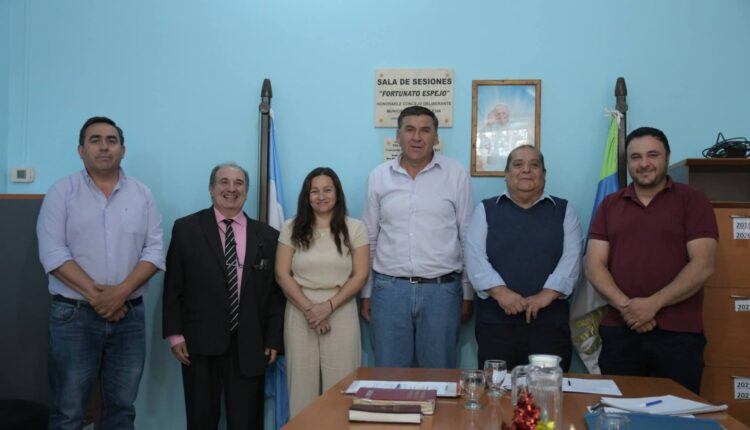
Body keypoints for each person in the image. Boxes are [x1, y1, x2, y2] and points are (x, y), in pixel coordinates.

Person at [37, 116, 165, 429]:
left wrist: (120, 294)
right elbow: (53, 253)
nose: (104, 147)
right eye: (95, 140)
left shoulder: (142, 195)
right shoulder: (61, 192)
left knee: (121, 410)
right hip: (73, 316)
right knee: (68, 410)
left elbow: (154, 251)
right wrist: (101, 298)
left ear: (123, 150)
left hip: (129, 317)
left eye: (111, 140)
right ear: (81, 150)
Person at [585, 127, 718, 394]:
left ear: (667, 157)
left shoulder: (693, 200)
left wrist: (653, 305)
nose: (644, 163)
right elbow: (594, 265)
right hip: (620, 332)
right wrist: (629, 308)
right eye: (635, 157)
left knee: (677, 413)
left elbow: (703, 264)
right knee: (618, 410)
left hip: (679, 335)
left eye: (652, 155)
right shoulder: (610, 205)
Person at [162, 163, 284, 429]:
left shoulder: (268, 236)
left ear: (247, 190)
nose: (231, 188)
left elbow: (275, 295)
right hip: (198, 343)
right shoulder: (186, 229)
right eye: (224, 182)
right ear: (211, 188)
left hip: (250, 345)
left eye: (239, 183)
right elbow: (173, 285)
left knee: (246, 422)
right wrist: (175, 335)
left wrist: (274, 338)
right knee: (201, 420)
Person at [361, 105, 474, 368]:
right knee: (389, 377)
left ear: (436, 137)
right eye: (409, 129)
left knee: (440, 378)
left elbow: (467, 236)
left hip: (442, 292)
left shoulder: (456, 174)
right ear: (397, 135)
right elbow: (370, 238)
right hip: (389, 291)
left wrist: (468, 293)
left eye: (425, 130)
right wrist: (367, 291)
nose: (416, 137)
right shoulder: (378, 177)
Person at [465, 145, 583, 371]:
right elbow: (474, 256)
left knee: (547, 388)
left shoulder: (564, 210)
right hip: (496, 324)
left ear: (544, 174)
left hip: (549, 324)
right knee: (496, 389)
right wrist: (501, 293)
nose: (526, 170)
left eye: (534, 165)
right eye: (518, 165)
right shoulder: (486, 209)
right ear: (506, 174)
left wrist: (546, 295)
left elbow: (572, 257)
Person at [274, 167, 369, 417]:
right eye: (314, 191)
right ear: (306, 196)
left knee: (343, 389)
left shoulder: (355, 228)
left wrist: (327, 307)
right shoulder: (291, 227)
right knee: (300, 389)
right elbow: (282, 274)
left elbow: (360, 275)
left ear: (337, 194)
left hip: (341, 308)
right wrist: (310, 309)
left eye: (327, 190)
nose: (321, 196)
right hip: (299, 310)